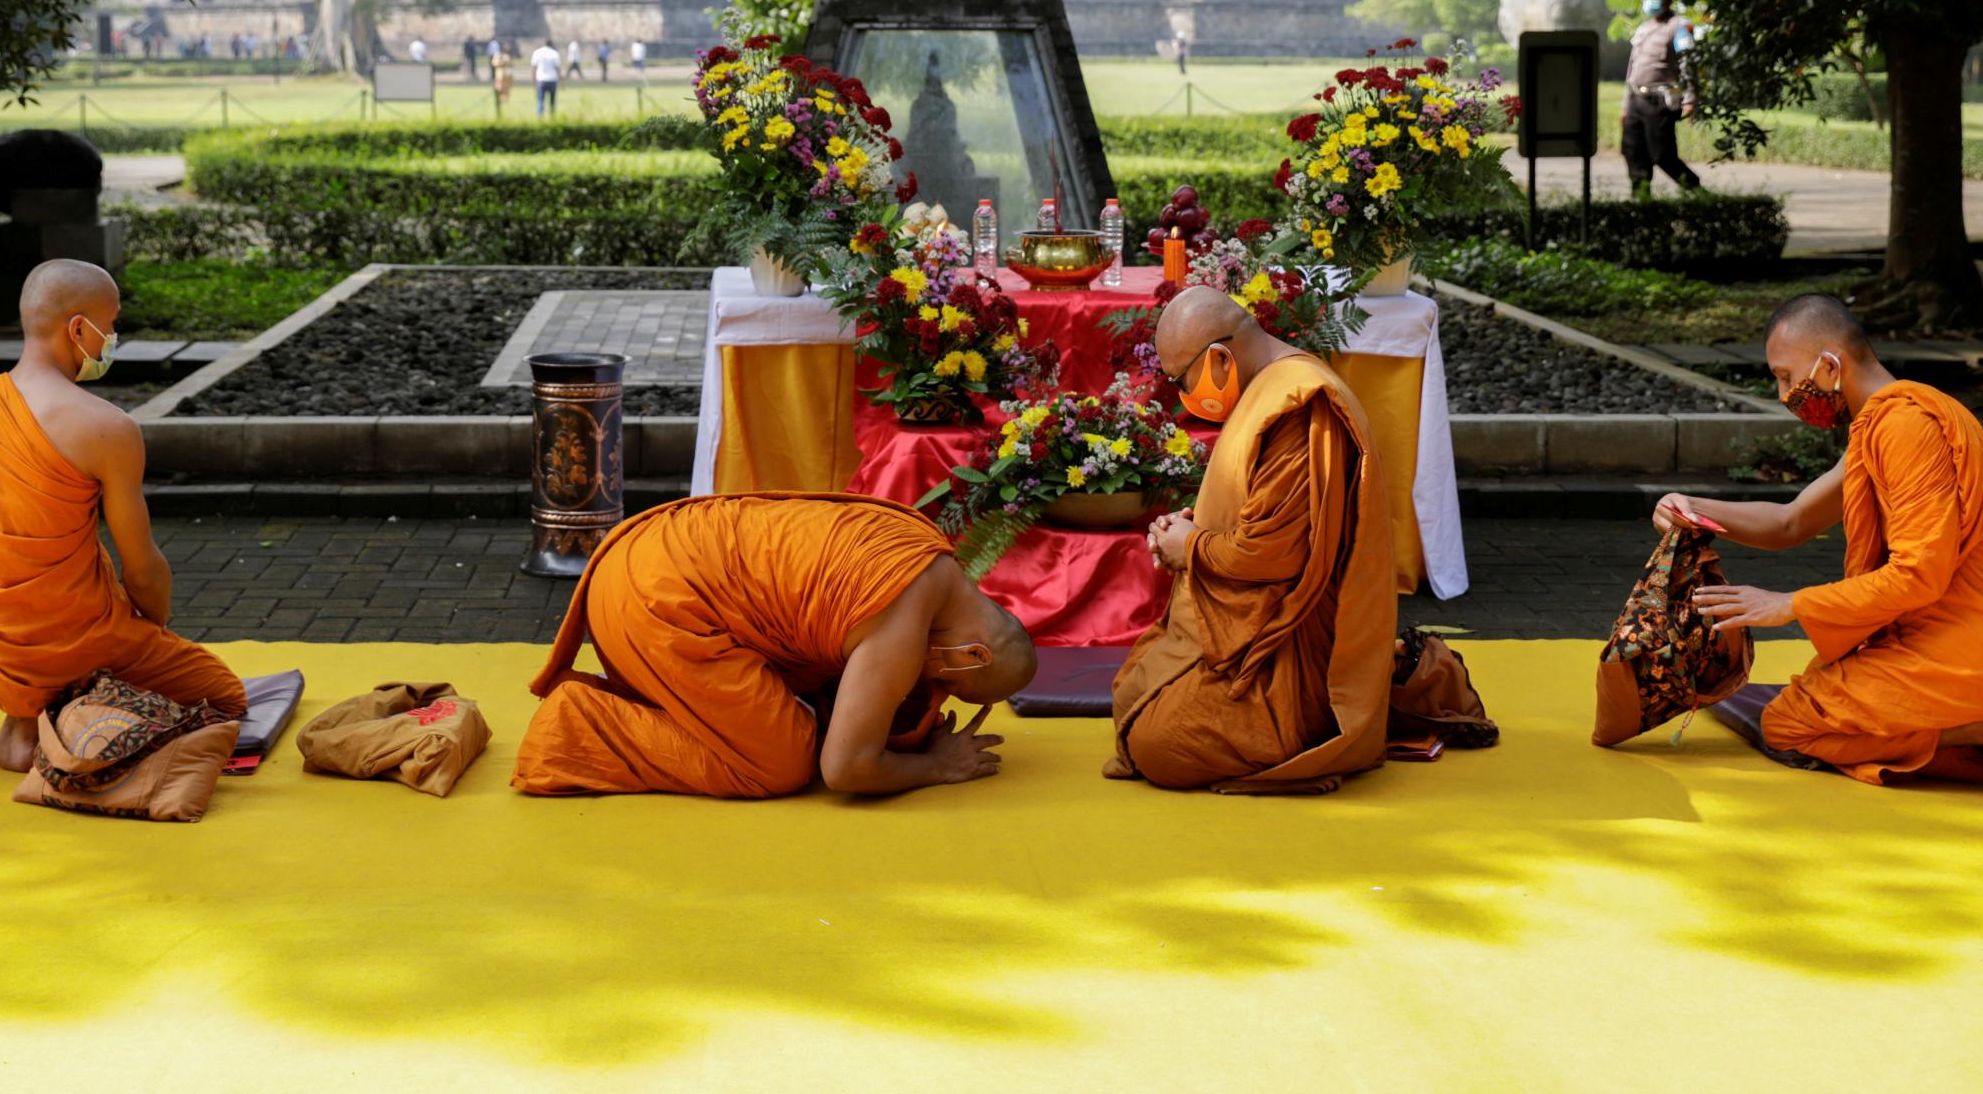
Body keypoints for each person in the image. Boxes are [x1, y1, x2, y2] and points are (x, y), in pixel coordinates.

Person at [1661, 293, 1983, 806]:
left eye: (1788, 377)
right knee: (1819, 693)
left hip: (1979, 644)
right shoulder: (1880, 426)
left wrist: (1788, 605)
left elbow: (1920, 575)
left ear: (1830, 366)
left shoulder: (1905, 425)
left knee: (1790, 722)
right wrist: (1689, 507)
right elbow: (1792, 521)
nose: (1785, 393)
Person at [0, 259, 245, 771]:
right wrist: (151, 638)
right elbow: (142, 567)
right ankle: (79, 717)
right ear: (79, 328)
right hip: (83, 644)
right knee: (227, 698)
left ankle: (28, 713)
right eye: (110, 325)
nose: (111, 338)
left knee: (54, 633)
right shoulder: (106, 427)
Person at [512, 493, 1036, 798]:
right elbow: (846, 770)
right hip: (659, 607)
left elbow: (800, 601)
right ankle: (582, 727)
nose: (930, 686)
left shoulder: (919, 541)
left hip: (642, 552)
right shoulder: (902, 618)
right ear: (973, 654)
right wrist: (937, 768)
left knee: (807, 704)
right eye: (946, 682)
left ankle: (677, 707)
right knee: (781, 765)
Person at [1105, 285, 1395, 793]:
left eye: (1184, 379)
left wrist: (1190, 547)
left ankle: (1316, 730)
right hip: (1247, 614)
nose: (1183, 394)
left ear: (1219, 357)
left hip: (1287, 634)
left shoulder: (1299, 405)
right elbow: (1257, 509)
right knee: (1134, 690)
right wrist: (1189, 526)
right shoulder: (1265, 388)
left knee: (1160, 744)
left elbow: (1274, 556)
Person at [1623, 0, 1704, 196]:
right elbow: (1632, 69)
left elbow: (1688, 63)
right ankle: (1640, 201)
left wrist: (1690, 100)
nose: (1649, 3)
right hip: (1635, 101)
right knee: (1633, 152)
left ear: (1667, 0)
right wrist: (1625, 106)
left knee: (1663, 155)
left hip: (1658, 102)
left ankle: (1699, 193)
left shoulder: (1679, 26)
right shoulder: (1644, 28)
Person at [530, 37, 563, 116]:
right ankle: (552, 115)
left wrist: (532, 80)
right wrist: (562, 81)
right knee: (552, 100)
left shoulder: (537, 52)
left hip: (541, 79)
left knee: (540, 99)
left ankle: (540, 116)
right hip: (552, 79)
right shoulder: (554, 53)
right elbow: (558, 69)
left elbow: (533, 68)